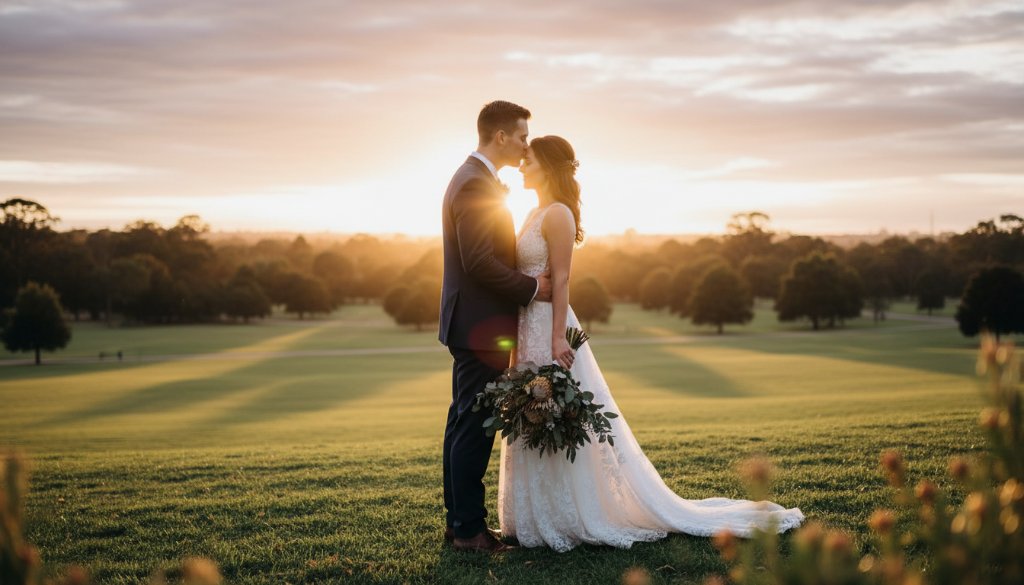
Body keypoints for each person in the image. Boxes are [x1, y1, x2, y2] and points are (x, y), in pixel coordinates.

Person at [498, 135, 805, 552]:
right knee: (530, 412)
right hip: (526, 322)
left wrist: (556, 338)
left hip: (549, 325)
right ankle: (533, 518)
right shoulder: (533, 211)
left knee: (554, 411)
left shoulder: (557, 214)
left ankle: (569, 515)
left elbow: (565, 279)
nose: (521, 165)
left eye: (528, 160)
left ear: (547, 166)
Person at [438, 100, 553, 554]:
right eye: (523, 136)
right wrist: (531, 288)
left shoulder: (473, 178)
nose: (526, 145)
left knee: (462, 421)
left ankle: (459, 523)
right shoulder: (474, 184)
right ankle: (469, 532)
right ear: (501, 136)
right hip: (479, 325)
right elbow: (480, 262)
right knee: (473, 427)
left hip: (472, 322)